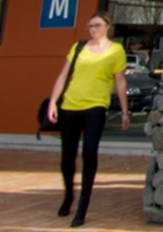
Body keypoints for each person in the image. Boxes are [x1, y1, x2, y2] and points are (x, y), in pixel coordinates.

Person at [45, 11, 129, 227]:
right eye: (90, 26)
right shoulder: (79, 47)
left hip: (96, 107)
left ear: (108, 26)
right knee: (67, 156)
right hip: (70, 106)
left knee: (89, 152)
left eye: (97, 25)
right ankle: (68, 196)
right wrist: (53, 102)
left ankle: (83, 205)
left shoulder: (116, 50)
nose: (93, 29)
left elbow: (120, 81)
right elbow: (64, 75)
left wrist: (125, 111)